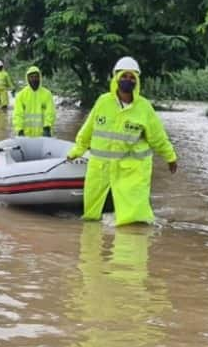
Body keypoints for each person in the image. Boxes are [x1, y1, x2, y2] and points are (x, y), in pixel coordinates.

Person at [66, 56, 178, 226]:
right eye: (124, 76)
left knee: (134, 220)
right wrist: (76, 151)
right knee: (91, 218)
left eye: (132, 77)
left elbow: (157, 137)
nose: (128, 80)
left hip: (131, 170)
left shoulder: (144, 108)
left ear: (137, 81)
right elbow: (87, 130)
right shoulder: (103, 102)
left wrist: (170, 157)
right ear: (116, 78)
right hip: (101, 168)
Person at [13, 66, 56, 137]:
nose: (34, 79)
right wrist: (20, 130)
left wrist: (47, 128)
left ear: (40, 78)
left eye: (36, 77)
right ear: (27, 78)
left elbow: (50, 113)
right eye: (31, 77)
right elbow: (17, 114)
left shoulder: (47, 94)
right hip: (26, 135)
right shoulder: (21, 95)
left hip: (44, 134)